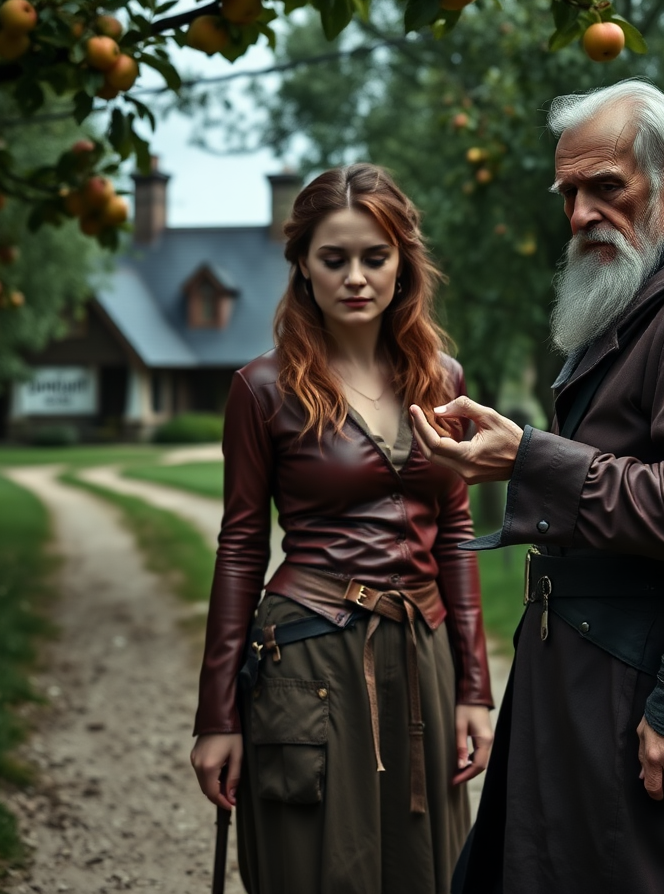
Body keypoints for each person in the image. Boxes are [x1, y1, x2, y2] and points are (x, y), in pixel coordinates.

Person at [409, 80, 664, 894]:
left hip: (651, 678)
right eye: (569, 193)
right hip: (604, 669)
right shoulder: (657, 297)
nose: (581, 214)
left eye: (606, 187)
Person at [191, 163, 494, 894]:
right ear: (303, 266)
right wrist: (217, 716)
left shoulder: (441, 378)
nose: (355, 277)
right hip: (309, 658)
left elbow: (455, 531)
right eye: (334, 258)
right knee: (321, 868)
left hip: (422, 654)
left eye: (374, 257)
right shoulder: (262, 389)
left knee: (424, 866)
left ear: (402, 263)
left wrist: (474, 689)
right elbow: (239, 550)